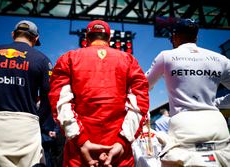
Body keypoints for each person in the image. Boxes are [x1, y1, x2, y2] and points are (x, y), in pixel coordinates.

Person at [48, 20, 149, 167]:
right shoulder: (129, 60)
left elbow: (60, 103)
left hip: (79, 153)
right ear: (108, 39)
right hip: (118, 152)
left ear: (87, 38)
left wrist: (81, 142)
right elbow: (140, 104)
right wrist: (122, 142)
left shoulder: (68, 59)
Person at [145, 18, 230, 166]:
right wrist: (216, 103)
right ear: (196, 37)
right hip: (217, 126)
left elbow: (143, 85)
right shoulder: (220, 59)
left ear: (174, 36)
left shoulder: (166, 56)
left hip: (184, 129)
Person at [0, 20, 52, 167]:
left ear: (13, 35)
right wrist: (38, 122)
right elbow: (49, 98)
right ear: (35, 38)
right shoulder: (41, 59)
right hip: (24, 127)